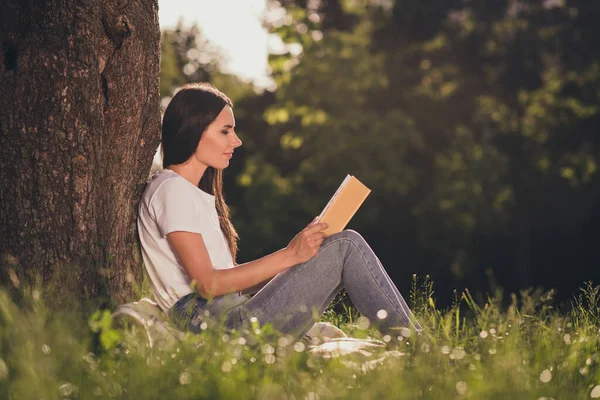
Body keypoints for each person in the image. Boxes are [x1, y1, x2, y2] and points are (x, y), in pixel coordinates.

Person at [137, 82, 422, 342]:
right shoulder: (171, 189)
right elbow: (208, 284)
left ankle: (414, 344)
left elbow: (227, 281)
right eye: (225, 131)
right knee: (346, 246)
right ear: (192, 129)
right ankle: (417, 347)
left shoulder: (192, 194)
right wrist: (290, 254)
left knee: (335, 246)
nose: (236, 141)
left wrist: (302, 259)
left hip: (228, 315)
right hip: (215, 324)